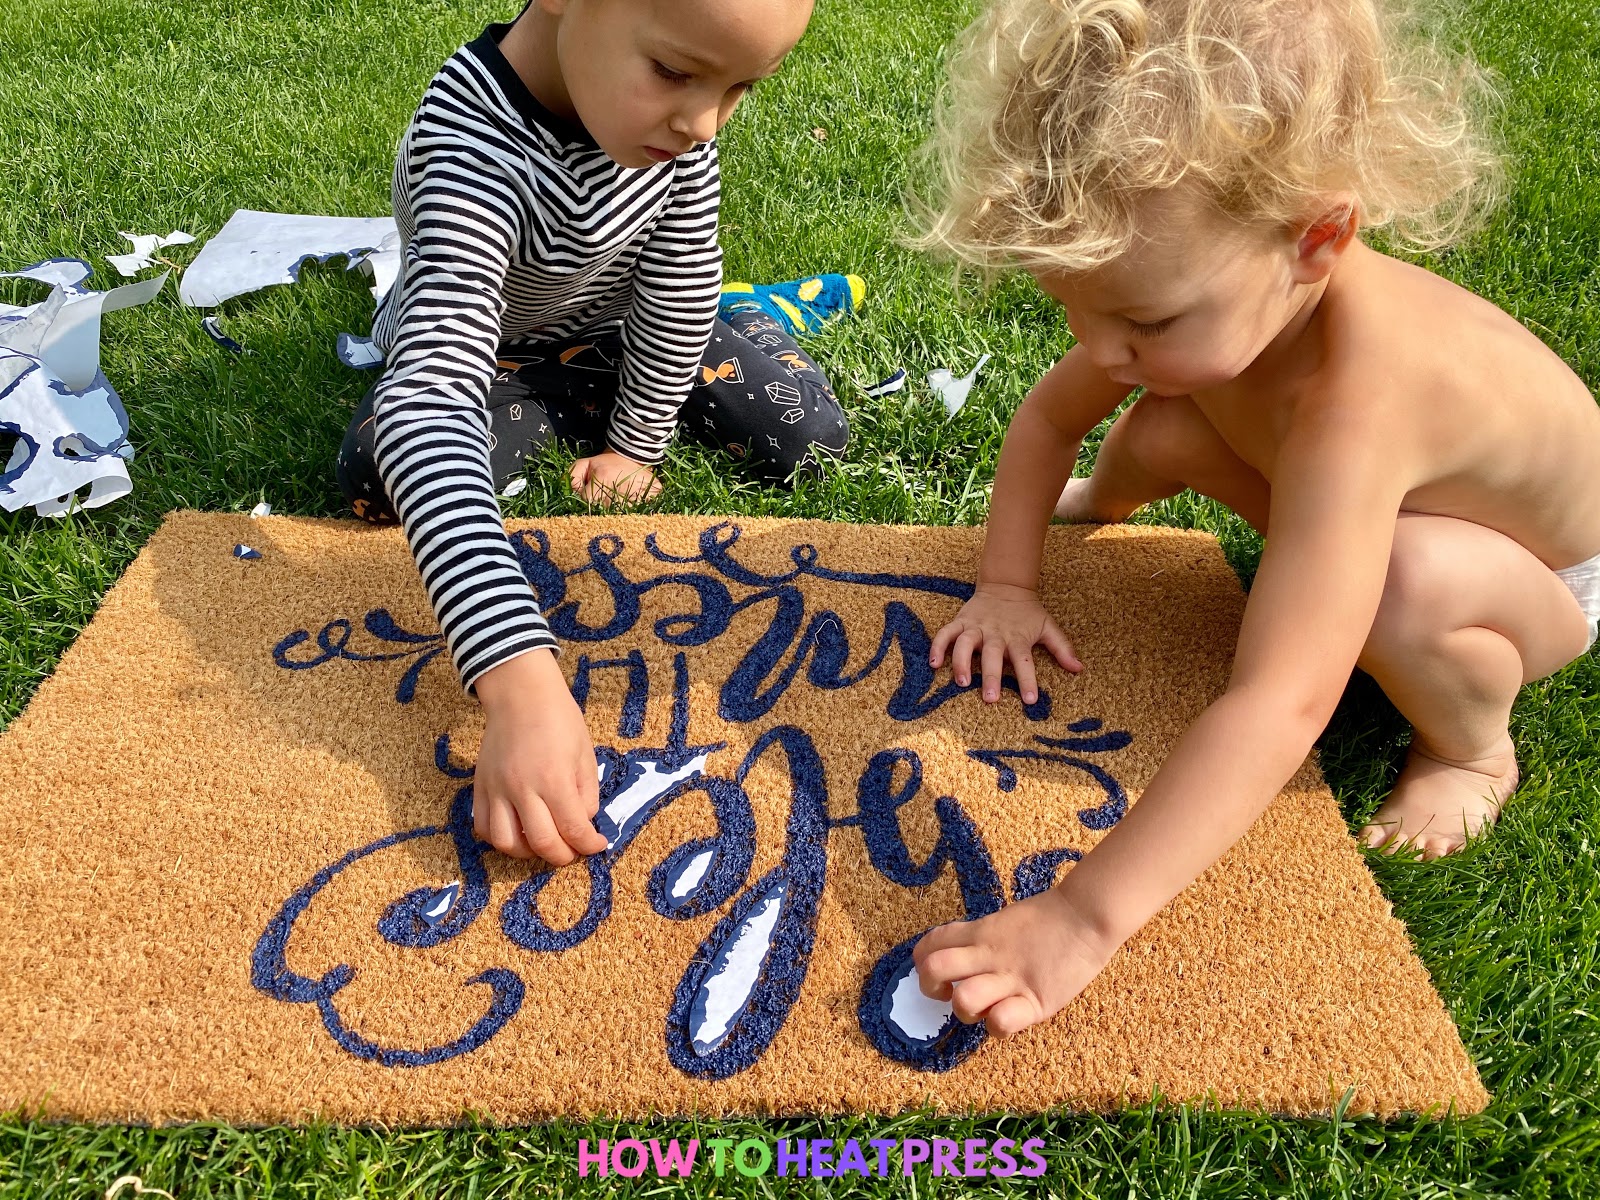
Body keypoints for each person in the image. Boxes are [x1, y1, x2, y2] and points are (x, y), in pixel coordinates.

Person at [910, 0, 1600, 1036]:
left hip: (1541, 581)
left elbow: (1279, 700)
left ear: (1315, 240)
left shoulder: (1363, 401)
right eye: (1073, 308)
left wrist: (1083, 918)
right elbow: (1049, 421)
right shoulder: (1210, 290)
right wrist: (1006, 584)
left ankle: (1469, 747)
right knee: (1168, 421)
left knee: (1397, 592)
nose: (1098, 349)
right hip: (1392, 503)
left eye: (1142, 320)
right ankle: (1113, 502)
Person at [335, 0, 851, 867]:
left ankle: (734, 331)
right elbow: (430, 402)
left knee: (807, 435)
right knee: (380, 471)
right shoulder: (469, 145)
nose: (701, 123)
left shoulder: (676, 126)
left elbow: (680, 284)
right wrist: (519, 685)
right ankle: (583, 396)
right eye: (677, 74)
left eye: (740, 89)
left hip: (620, 332)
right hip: (495, 350)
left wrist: (638, 440)